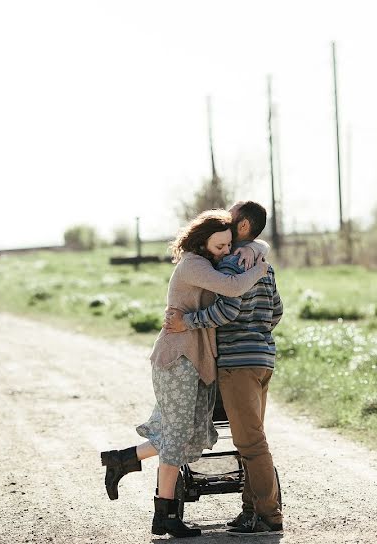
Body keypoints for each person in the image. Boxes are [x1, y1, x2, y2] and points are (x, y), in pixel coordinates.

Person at [100, 210, 269, 539]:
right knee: (177, 437)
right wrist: (260, 268)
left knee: (191, 435)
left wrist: (255, 248)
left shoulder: (208, 261)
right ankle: (164, 515)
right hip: (177, 356)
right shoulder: (194, 265)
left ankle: (122, 459)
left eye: (228, 246)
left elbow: (256, 244)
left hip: (196, 358)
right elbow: (232, 287)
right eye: (219, 246)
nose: (224, 252)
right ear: (202, 241)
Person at [165, 201, 284, 536]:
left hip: (238, 363)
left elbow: (226, 312)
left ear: (243, 226)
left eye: (231, 217)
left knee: (251, 443)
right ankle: (251, 511)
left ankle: (267, 515)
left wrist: (188, 323)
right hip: (263, 360)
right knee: (253, 438)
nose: (226, 221)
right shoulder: (264, 266)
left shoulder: (233, 266)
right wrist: (258, 332)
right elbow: (276, 312)